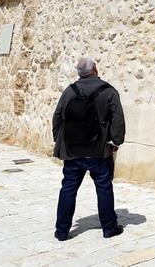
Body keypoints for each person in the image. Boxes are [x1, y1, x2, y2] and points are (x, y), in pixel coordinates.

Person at [52, 57, 126, 241]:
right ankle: (109, 228)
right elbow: (118, 119)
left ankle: (62, 231)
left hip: (72, 150)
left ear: (79, 73)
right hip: (99, 150)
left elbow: (57, 117)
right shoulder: (108, 91)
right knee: (104, 187)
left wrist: (60, 141)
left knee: (68, 188)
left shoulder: (69, 91)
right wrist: (116, 141)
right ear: (95, 69)